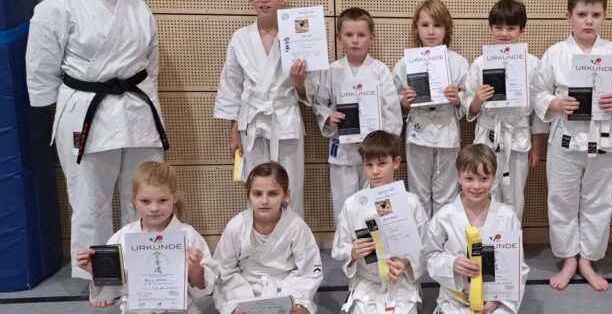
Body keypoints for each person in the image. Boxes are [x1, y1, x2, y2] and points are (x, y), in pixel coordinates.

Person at [25, 0, 168, 279]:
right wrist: (55, 108)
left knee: (145, 196)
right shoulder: (54, 8)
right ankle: (101, 278)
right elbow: (42, 67)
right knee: (90, 202)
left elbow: (150, 64)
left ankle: (148, 273)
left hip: (136, 111)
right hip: (87, 113)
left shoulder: (137, 7)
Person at [532, 0, 612, 291]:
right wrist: (555, 103)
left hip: (603, 138)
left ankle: (588, 259)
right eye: (582, 14)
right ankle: (568, 259)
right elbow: (539, 91)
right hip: (565, 138)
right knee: (562, 200)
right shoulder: (555, 53)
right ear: (569, 17)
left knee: (599, 200)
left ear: (604, 17)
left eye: (595, 14)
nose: (588, 21)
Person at [214, 0, 312, 217]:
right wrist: (234, 131)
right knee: (257, 186)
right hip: (253, 121)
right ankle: (258, 243)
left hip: (285, 116)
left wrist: (299, 81)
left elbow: (310, 89)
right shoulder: (240, 38)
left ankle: (293, 246)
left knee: (291, 184)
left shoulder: (299, 35)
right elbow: (232, 86)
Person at [75, 162, 215, 312]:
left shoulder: (188, 236)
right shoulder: (122, 237)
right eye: (145, 201)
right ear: (134, 200)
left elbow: (202, 292)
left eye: (162, 200)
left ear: (174, 197)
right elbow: (112, 291)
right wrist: (95, 271)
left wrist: (195, 269)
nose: (154, 208)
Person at [312, 7, 402, 221]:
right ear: (339, 38)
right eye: (349, 35)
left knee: (377, 200)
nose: (355, 40)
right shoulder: (331, 70)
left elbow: (392, 111)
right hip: (342, 150)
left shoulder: (380, 71)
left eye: (361, 35)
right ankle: (349, 249)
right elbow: (320, 102)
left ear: (371, 37)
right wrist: (328, 117)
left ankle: (381, 248)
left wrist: (385, 142)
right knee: (344, 203)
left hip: (375, 153)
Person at [464, 0, 548, 221]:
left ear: (521, 30)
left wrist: (537, 148)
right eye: (498, 27)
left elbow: (539, 110)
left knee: (514, 197)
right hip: (487, 136)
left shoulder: (532, 64)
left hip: (518, 137)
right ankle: (486, 249)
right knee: (484, 193)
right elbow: (468, 107)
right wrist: (478, 101)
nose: (504, 33)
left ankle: (511, 248)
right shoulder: (480, 63)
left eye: (511, 28)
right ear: (491, 28)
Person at [331, 131, 429, 313]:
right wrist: (352, 252)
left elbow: (425, 247)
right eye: (369, 165)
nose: (375, 171)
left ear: (396, 162)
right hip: (366, 284)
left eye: (382, 164)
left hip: (401, 284)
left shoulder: (411, 202)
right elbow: (339, 247)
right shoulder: (352, 204)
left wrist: (406, 262)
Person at [426, 144, 529, 313]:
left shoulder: (507, 217)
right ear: (458, 176)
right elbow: (430, 256)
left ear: (494, 177)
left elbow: (517, 267)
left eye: (483, 179)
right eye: (469, 179)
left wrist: (497, 301)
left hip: (495, 300)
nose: (476, 186)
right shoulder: (444, 217)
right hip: (455, 299)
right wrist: (452, 263)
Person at [392, 0, 469, 217]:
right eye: (425, 25)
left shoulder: (459, 63)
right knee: (418, 191)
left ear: (447, 29)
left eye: (437, 25)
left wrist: (457, 99)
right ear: (416, 28)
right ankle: (423, 244)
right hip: (418, 129)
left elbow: (470, 98)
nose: (431, 32)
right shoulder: (405, 63)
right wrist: (404, 102)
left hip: (447, 128)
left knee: (447, 191)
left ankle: (443, 242)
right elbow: (391, 101)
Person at [213, 162, 323, 314]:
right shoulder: (236, 226)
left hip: (285, 293)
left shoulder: (296, 227)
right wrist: (236, 305)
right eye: (257, 194)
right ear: (248, 195)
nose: (264, 201)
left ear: (286, 195)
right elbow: (223, 271)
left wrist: (298, 302)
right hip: (245, 292)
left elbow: (308, 271)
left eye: (272, 193)